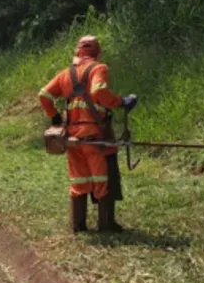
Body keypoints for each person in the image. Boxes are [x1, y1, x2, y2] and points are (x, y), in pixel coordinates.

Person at [38, 36, 137, 233]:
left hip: (73, 138)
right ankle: (106, 225)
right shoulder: (99, 68)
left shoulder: (65, 74)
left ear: (78, 51)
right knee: (103, 180)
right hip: (96, 137)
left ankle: (78, 225)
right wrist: (120, 101)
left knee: (79, 181)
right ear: (98, 52)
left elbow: (44, 95)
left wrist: (55, 117)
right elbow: (98, 91)